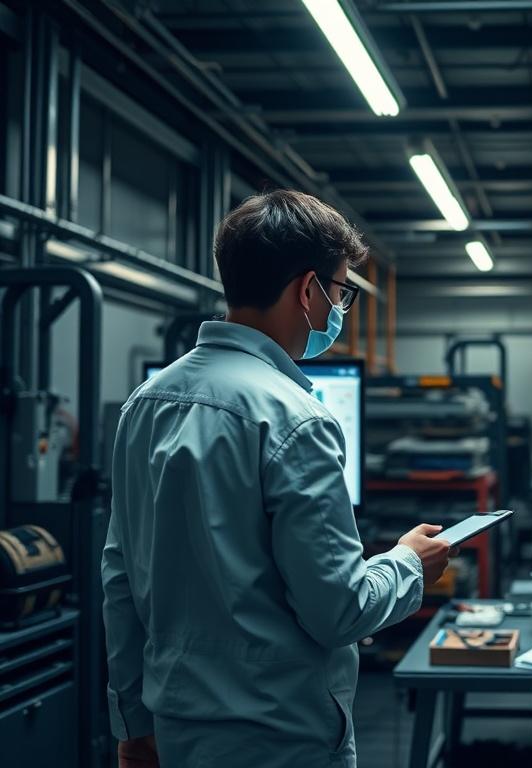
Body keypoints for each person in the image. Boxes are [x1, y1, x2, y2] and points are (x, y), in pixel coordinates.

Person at [101, 190, 453, 768]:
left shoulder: (145, 403)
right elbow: (338, 610)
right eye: (341, 291)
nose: (339, 309)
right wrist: (409, 562)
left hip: (177, 728)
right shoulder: (296, 418)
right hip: (281, 737)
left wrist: (133, 721)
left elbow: (120, 578)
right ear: (308, 290)